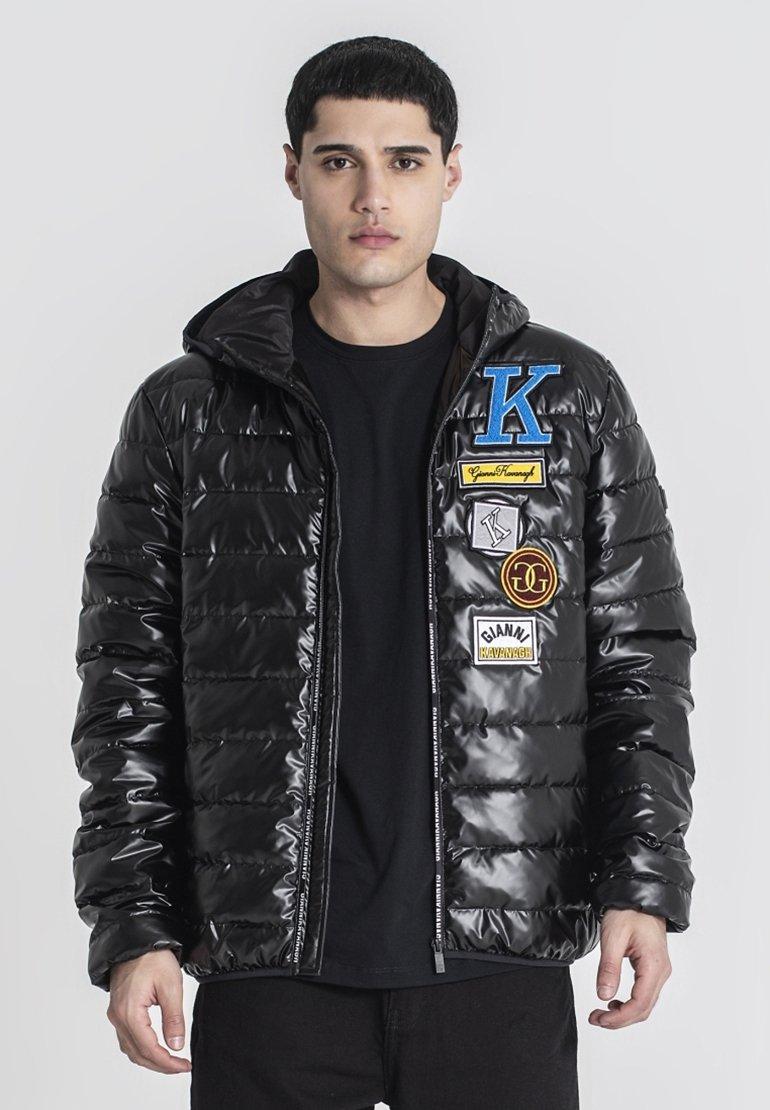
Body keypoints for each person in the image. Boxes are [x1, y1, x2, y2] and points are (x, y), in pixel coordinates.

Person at [70, 34, 697, 1109]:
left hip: (497, 956)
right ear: (293, 173)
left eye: (404, 161)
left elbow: (636, 658)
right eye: (338, 161)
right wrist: (134, 924)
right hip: (271, 968)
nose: (373, 195)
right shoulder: (189, 410)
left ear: (450, 173)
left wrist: (639, 881)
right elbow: (127, 684)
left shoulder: (564, 397)